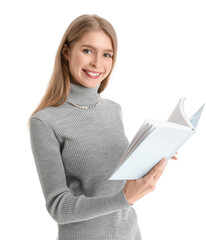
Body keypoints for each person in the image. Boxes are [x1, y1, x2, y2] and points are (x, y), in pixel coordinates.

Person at [28, 14, 178, 240]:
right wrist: (123, 199)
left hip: (130, 233)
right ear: (67, 52)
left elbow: (114, 180)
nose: (98, 63)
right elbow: (58, 207)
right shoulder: (45, 121)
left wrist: (154, 155)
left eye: (107, 54)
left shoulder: (113, 110)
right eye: (87, 50)